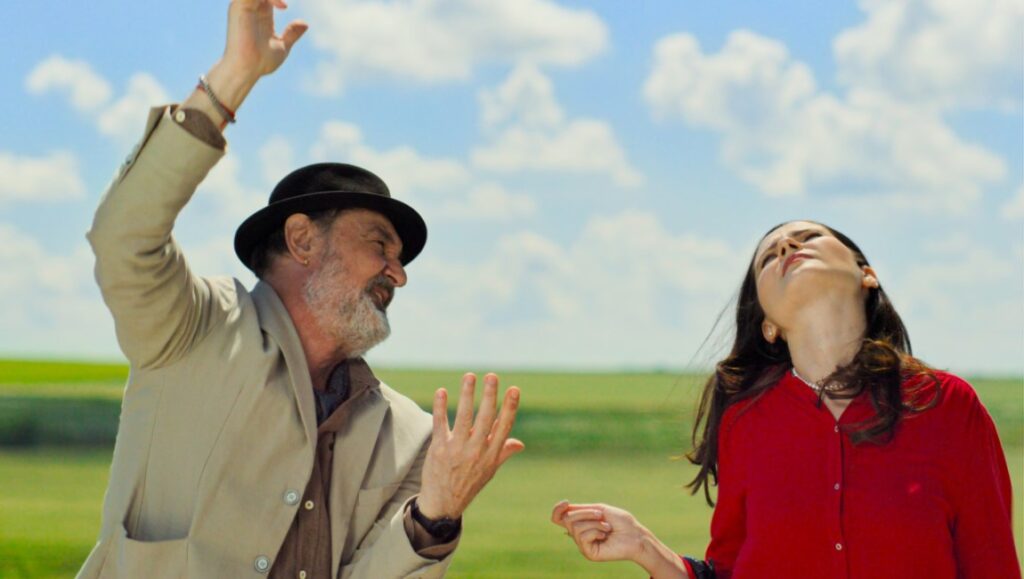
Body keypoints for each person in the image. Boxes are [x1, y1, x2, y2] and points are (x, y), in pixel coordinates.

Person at [78, 1, 524, 577]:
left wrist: (436, 514)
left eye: (401, 256)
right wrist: (232, 78)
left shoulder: (410, 436)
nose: (400, 272)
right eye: (380, 244)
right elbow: (122, 235)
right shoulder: (193, 327)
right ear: (302, 240)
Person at [551, 220, 1020, 578]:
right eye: (767, 257)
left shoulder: (948, 405)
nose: (785, 247)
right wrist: (645, 548)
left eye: (808, 237)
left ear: (867, 276)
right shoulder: (744, 422)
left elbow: (993, 565)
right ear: (767, 324)